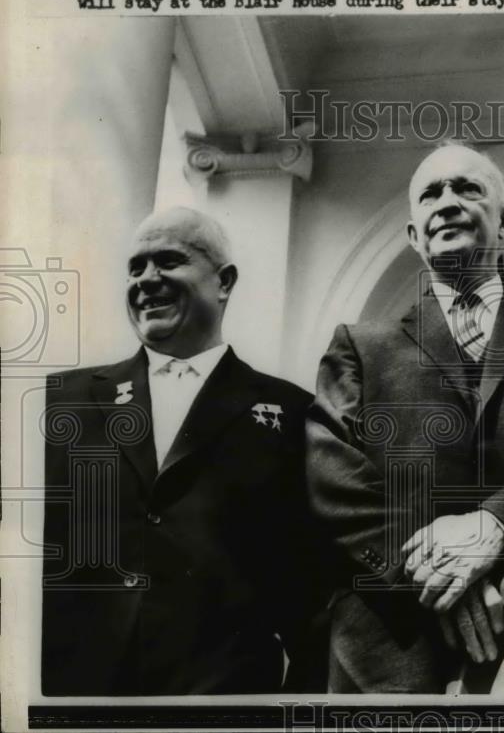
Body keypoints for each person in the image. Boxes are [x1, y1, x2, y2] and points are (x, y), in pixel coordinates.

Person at [306, 143, 504, 693]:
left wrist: (494, 526)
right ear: (414, 236)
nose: (448, 202)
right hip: (390, 644)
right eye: (431, 194)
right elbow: (331, 479)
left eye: (467, 188)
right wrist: (433, 574)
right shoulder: (360, 348)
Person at [42, 207, 320, 695]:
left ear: (224, 281)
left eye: (169, 261)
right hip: (75, 697)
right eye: (135, 267)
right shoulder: (62, 400)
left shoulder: (291, 412)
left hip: (223, 704)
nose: (147, 280)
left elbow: (311, 584)